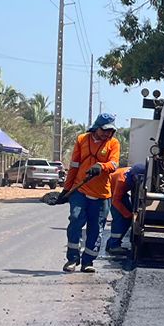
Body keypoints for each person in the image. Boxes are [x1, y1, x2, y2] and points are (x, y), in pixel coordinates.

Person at [63, 114, 120, 272]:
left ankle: (88, 262)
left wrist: (101, 167)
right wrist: (66, 189)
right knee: (75, 220)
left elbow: (114, 164)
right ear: (97, 127)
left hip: (101, 195)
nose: (107, 134)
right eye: (105, 130)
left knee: (96, 228)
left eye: (110, 131)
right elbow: (74, 165)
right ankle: (72, 259)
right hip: (80, 190)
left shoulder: (113, 143)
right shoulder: (82, 139)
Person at [105, 161, 145, 255]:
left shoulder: (133, 175)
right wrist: (127, 214)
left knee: (128, 219)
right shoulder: (122, 180)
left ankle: (112, 243)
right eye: (137, 178)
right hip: (110, 193)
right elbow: (115, 201)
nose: (139, 180)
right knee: (119, 219)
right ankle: (113, 246)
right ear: (132, 176)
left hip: (121, 193)